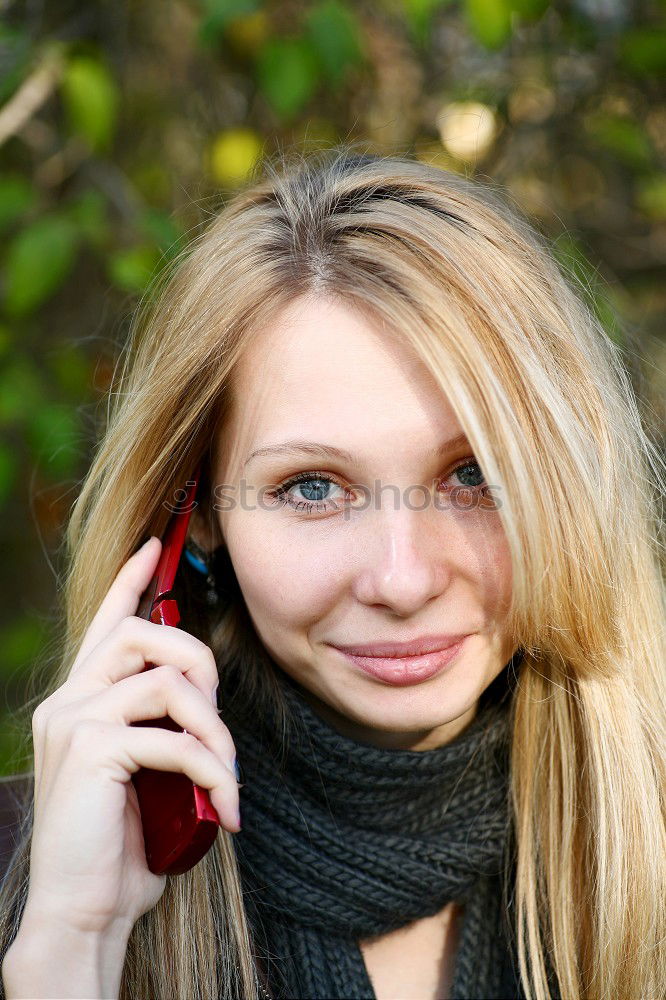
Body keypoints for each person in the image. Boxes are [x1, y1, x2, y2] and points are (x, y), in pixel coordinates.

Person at [0, 146, 664, 1000]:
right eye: (312, 487)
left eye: (474, 476)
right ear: (194, 512)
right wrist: (71, 950)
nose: (402, 580)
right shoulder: (39, 887)